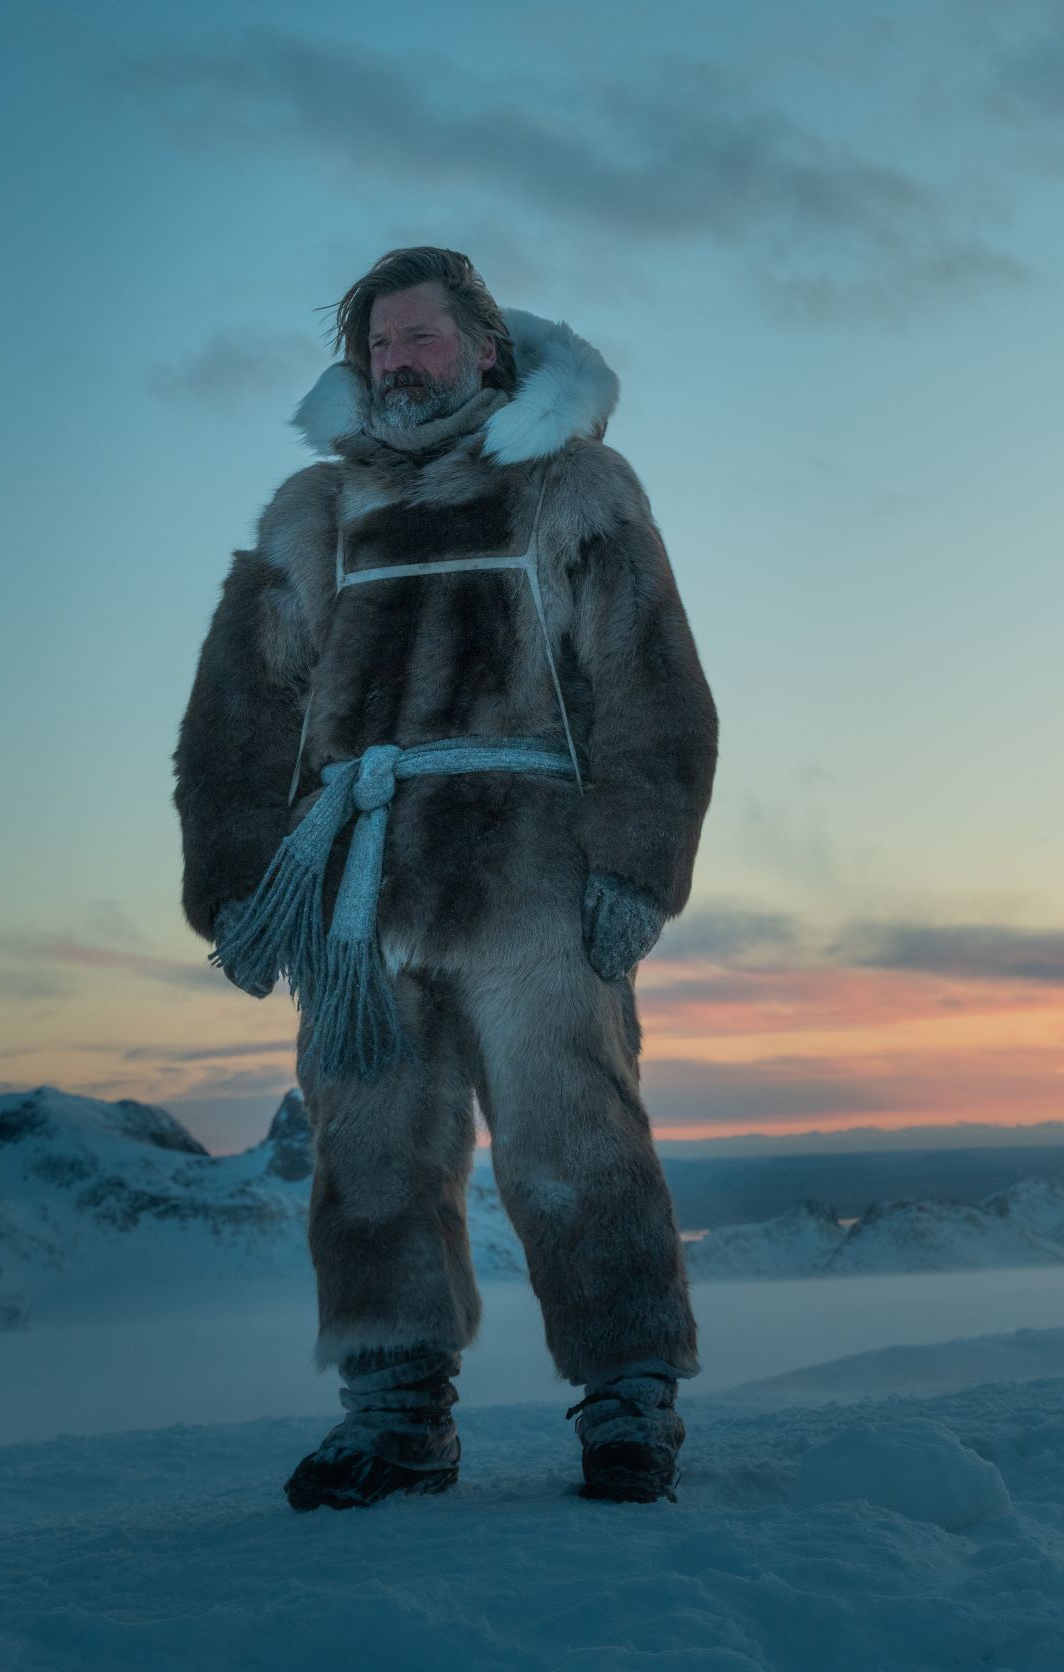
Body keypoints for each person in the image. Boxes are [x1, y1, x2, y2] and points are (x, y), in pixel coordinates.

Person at [173, 248, 716, 1508]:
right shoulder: (315, 515)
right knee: (367, 1147)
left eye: (419, 338)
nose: (396, 364)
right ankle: (396, 1410)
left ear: (483, 346)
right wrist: (237, 880)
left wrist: (636, 864)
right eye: (377, 347)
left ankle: (630, 1397)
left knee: (574, 1134)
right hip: (357, 891)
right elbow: (242, 715)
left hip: (531, 877)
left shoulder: (568, 489)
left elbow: (653, 689)